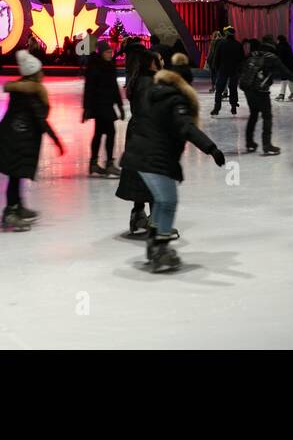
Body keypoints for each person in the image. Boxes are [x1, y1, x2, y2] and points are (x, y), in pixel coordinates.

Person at [121, 61, 226, 272]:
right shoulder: (176, 101)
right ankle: (160, 249)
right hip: (155, 160)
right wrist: (211, 149)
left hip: (137, 157)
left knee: (161, 200)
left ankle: (153, 242)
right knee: (168, 201)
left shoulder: (153, 93)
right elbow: (187, 128)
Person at [0, 51, 66, 230]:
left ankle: (18, 206)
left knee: (16, 175)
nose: (43, 74)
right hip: (17, 139)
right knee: (15, 175)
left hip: (13, 135)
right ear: (34, 73)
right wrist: (57, 141)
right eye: (41, 71)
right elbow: (40, 119)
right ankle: (10, 212)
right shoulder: (30, 94)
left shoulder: (22, 90)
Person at [117, 51, 162, 236]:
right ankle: (156, 220)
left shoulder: (140, 80)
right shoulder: (148, 83)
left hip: (137, 133)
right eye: (158, 59)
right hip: (147, 134)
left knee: (141, 177)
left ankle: (138, 214)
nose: (162, 61)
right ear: (151, 63)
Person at [238, 35, 293, 156]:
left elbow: (242, 68)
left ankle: (249, 142)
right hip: (261, 90)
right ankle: (267, 145)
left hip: (247, 88)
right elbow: (286, 73)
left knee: (253, 114)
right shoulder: (272, 58)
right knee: (267, 116)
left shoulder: (253, 54)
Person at [82, 40, 124, 177]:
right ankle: (108, 164)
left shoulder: (110, 65)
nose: (110, 54)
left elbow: (114, 86)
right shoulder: (94, 67)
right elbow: (88, 88)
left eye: (110, 51)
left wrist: (120, 105)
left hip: (107, 104)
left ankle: (94, 164)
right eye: (107, 52)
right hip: (99, 105)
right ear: (101, 53)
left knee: (100, 133)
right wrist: (87, 108)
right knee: (110, 132)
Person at [208, 26, 244, 116]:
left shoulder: (221, 44)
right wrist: (239, 70)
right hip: (234, 70)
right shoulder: (238, 44)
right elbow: (241, 59)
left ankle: (217, 108)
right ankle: (233, 107)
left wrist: (215, 68)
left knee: (219, 90)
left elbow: (216, 57)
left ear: (226, 34)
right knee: (233, 89)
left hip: (222, 70)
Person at [273, 35, 293, 101]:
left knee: (284, 80)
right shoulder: (288, 46)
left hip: (284, 66)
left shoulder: (280, 47)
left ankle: (282, 94)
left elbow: (281, 58)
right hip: (290, 66)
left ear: (279, 40)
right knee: (289, 79)